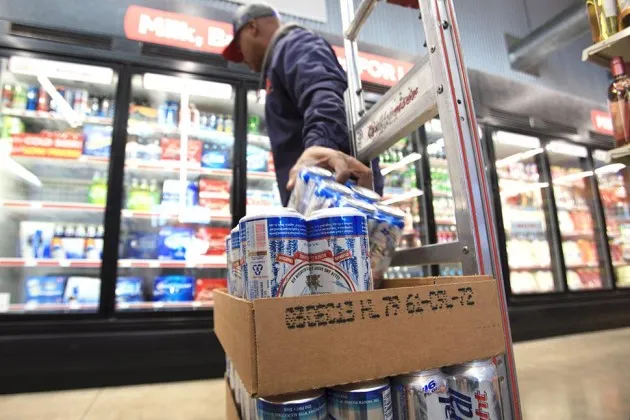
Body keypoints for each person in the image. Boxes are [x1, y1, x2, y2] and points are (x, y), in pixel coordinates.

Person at [222, 2, 383, 206]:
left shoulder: (294, 44)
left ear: (253, 28)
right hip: (319, 197)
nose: (242, 59)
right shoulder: (279, 60)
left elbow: (324, 92)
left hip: (332, 195)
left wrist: (321, 146)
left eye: (239, 47)